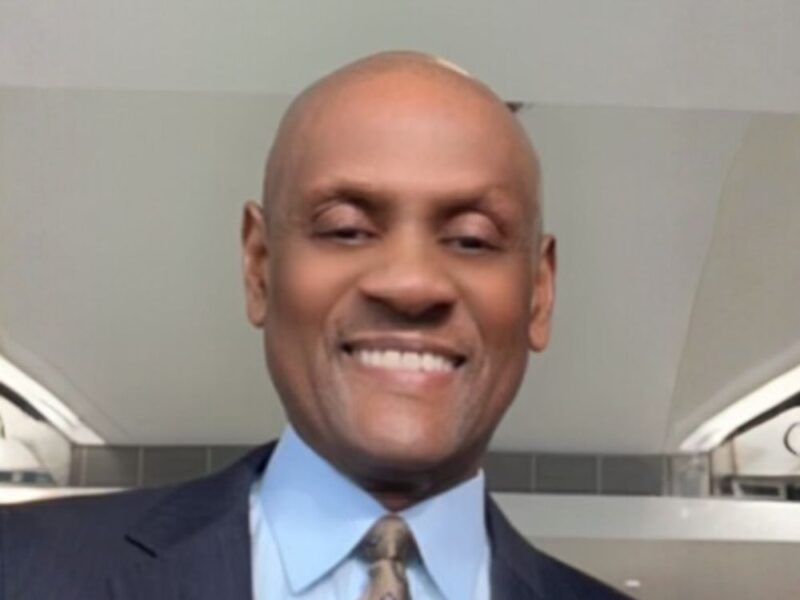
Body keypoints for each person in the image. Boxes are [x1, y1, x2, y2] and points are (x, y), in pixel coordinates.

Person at [0, 52, 629, 599]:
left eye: (471, 240)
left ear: (539, 294)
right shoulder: (22, 570)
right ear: (259, 266)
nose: (410, 284)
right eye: (346, 230)